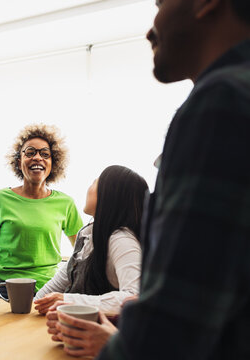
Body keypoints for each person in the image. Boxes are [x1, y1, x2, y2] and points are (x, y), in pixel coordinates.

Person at [59, 0, 250, 358]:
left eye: (160, 4)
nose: (150, 30)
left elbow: (177, 318)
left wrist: (117, 345)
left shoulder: (220, 103)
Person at [0, 124, 83, 297]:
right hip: (6, 289)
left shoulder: (65, 203)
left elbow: (82, 251)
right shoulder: (0, 199)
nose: (38, 158)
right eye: (30, 153)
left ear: (54, 162)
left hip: (51, 290)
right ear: (18, 160)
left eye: (45, 154)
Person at [34, 165, 148, 315]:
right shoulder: (88, 233)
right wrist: (35, 303)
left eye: (95, 183)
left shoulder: (121, 240)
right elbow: (63, 278)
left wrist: (67, 300)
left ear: (109, 194)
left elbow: (133, 296)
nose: (89, 188)